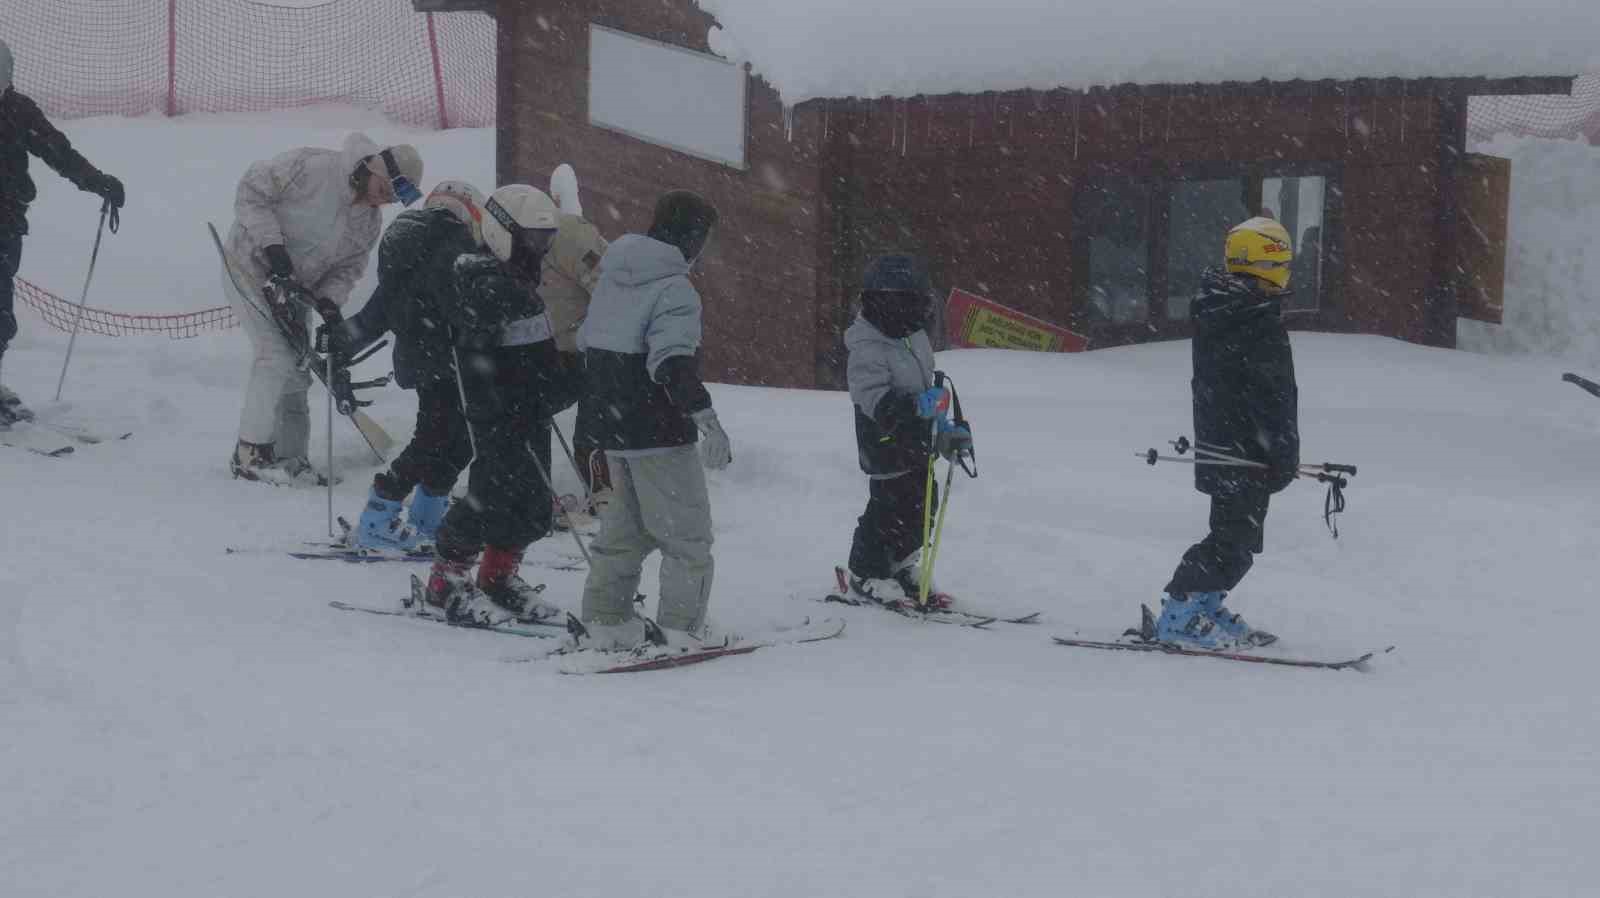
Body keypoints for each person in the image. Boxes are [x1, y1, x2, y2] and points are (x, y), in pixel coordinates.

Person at [573, 189, 731, 651]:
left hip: (608, 428)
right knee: (687, 538)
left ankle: (605, 620)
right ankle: (683, 629)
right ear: (694, 238)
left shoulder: (613, 276)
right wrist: (708, 420)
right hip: (658, 433)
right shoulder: (674, 287)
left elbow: (586, 341)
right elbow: (671, 364)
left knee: (622, 534)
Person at [421, 184, 583, 625]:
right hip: (501, 413)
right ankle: (446, 580)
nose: (539, 251)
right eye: (532, 240)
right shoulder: (488, 285)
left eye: (545, 242)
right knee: (491, 493)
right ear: (502, 231)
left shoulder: (514, 281)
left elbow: (539, 361)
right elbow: (487, 360)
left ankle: (499, 575)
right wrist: (572, 377)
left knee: (532, 501)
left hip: (527, 409)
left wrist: (568, 373)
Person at [223, 132, 422, 486]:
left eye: (394, 198)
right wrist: (273, 248)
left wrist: (330, 304)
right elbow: (252, 192)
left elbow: (348, 269)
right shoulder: (313, 167)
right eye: (388, 188)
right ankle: (249, 454)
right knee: (274, 357)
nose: (387, 199)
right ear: (375, 167)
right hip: (249, 264)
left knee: (298, 373)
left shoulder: (369, 222)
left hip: (293, 290)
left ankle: (292, 459)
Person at [1154, 216, 1300, 649]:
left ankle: (1204, 602)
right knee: (1232, 541)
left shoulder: (1228, 308)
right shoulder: (1252, 317)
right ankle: (1179, 611)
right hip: (1246, 449)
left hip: (1229, 445)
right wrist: (1282, 450)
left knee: (1238, 536)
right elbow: (1271, 397)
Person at [324, 180, 485, 550]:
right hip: (453, 360)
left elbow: (376, 313)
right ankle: (378, 518)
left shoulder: (410, 253)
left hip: (423, 362)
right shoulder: (455, 249)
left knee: (453, 441)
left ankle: (428, 517)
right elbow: (463, 309)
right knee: (437, 441)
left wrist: (341, 341)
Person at [0, 38, 124, 426]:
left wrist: (98, 181)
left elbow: (57, 150)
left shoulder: (17, 109)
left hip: (5, 224)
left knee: (1, 314)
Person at [842, 254, 970, 609]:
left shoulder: (913, 337)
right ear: (886, 301)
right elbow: (873, 401)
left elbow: (930, 390)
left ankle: (900, 566)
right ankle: (866, 572)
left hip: (916, 442)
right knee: (887, 508)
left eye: (920, 303)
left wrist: (946, 431)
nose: (918, 312)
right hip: (883, 441)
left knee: (920, 503)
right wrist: (916, 407)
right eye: (910, 302)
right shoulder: (867, 346)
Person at [540, 163, 611, 516]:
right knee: (527, 411)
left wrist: (591, 335)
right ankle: (533, 492)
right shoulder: (530, 238)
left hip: (588, 350)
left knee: (593, 426)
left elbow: (610, 288)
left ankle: (602, 493)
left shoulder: (572, 236)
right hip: (553, 351)